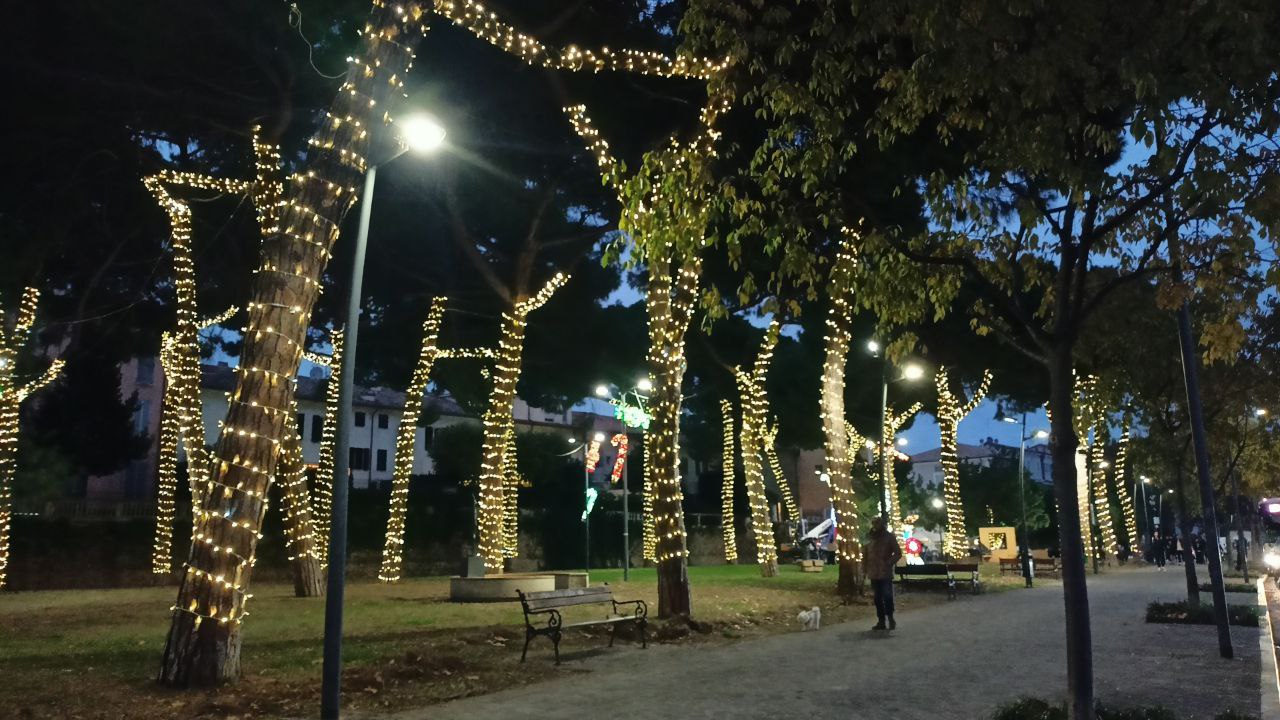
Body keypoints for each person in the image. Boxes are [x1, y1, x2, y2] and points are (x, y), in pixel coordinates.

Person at [863, 516, 904, 631]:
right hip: (873, 572)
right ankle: (881, 621)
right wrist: (864, 568)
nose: (875, 526)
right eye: (874, 523)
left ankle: (890, 618)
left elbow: (898, 553)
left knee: (887, 596)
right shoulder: (870, 537)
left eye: (877, 523)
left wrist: (888, 563)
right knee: (877, 598)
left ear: (882, 524)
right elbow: (865, 553)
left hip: (885, 573)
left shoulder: (889, 537)